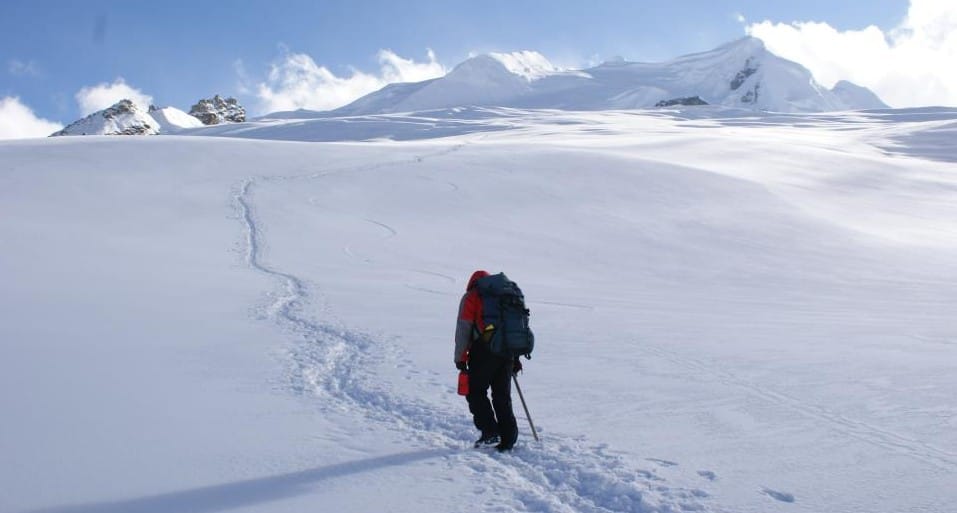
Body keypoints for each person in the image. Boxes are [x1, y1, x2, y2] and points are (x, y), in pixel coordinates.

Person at [454, 269, 523, 451]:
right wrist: (515, 357)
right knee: (502, 395)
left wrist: (460, 358)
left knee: (476, 392)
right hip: (507, 351)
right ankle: (509, 437)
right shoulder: (505, 296)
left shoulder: (472, 297)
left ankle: (490, 432)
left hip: (483, 350)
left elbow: (464, 328)